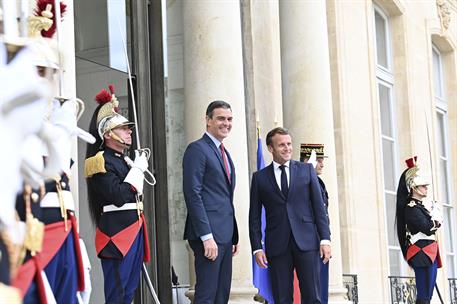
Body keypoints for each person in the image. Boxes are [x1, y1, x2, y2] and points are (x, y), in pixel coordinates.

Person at [249, 127, 331, 304]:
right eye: (281, 145)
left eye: (289, 144)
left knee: (312, 296)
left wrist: (325, 239)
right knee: (281, 297)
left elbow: (319, 208)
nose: (287, 148)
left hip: (308, 242)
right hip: (277, 245)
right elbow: (254, 217)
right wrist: (257, 248)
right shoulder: (259, 178)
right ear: (271, 149)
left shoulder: (306, 170)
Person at [85, 85, 150, 304]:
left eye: (128, 128)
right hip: (116, 235)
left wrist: (135, 167)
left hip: (134, 230)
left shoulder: (125, 160)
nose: (129, 131)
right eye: (123, 128)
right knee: (118, 294)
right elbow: (118, 196)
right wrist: (138, 170)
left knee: (129, 291)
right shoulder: (100, 161)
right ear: (108, 133)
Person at [183, 100, 239, 304]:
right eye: (221, 118)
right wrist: (206, 236)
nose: (226, 123)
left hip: (224, 235)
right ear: (208, 120)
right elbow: (193, 194)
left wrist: (232, 234)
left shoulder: (224, 152)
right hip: (208, 236)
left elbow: (224, 197)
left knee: (221, 295)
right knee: (207, 295)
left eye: (230, 119)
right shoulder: (197, 149)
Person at [395, 156, 442, 304]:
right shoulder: (411, 208)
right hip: (421, 253)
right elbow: (428, 228)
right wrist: (437, 220)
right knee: (423, 296)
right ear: (414, 188)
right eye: (423, 186)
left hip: (429, 253)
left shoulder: (420, 207)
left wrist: (434, 215)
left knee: (427, 296)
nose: (426, 188)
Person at [300, 143, 330, 304]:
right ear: (308, 161)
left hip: (321, 241)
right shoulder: (304, 183)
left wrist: (326, 239)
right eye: (318, 160)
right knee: (313, 292)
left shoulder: (319, 183)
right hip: (310, 243)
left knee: (321, 289)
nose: (322, 164)